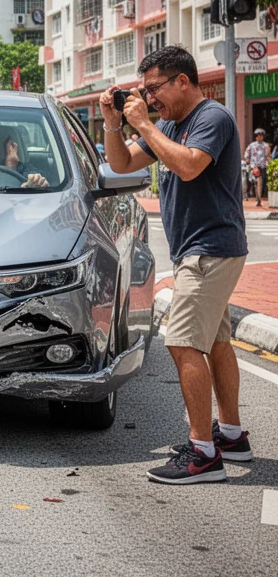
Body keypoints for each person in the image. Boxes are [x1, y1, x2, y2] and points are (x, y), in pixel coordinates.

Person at [100, 46, 249, 485]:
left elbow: (188, 167)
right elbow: (121, 162)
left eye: (154, 88)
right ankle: (232, 436)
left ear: (182, 81)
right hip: (197, 249)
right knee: (217, 343)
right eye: (143, 90)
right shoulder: (169, 124)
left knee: (182, 343)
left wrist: (144, 121)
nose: (149, 97)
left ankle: (202, 453)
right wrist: (114, 124)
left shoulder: (211, 118)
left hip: (211, 249)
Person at [244, 128, 270, 207]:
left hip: (262, 166)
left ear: (263, 136)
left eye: (261, 135)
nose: (259, 137)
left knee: (260, 183)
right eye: (258, 135)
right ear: (256, 136)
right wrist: (247, 160)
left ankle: (258, 198)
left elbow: (268, 155)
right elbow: (247, 154)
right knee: (255, 182)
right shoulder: (252, 145)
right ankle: (257, 198)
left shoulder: (266, 145)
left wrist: (268, 155)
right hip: (254, 166)